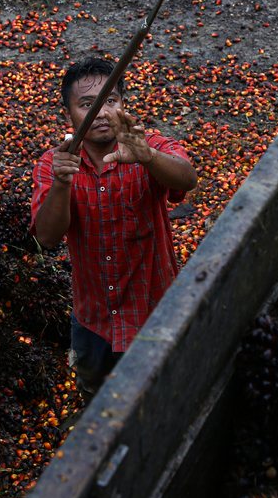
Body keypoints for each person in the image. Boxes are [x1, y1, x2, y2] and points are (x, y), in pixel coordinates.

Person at [30, 57, 198, 395]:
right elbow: (47, 237)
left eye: (110, 101)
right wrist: (62, 183)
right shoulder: (54, 164)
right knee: (94, 396)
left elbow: (187, 179)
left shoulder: (150, 146)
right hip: (94, 322)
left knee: (159, 397)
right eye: (87, 104)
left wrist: (148, 157)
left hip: (153, 314)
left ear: (123, 104)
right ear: (68, 114)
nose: (102, 113)